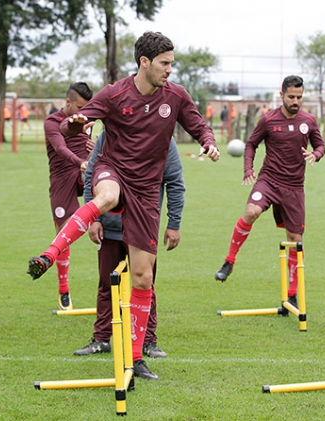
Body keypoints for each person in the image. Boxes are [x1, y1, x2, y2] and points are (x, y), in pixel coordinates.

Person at [27, 31, 220, 380]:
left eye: (171, 63)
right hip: (111, 169)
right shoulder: (115, 93)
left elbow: (197, 125)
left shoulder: (175, 96)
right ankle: (50, 254)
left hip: (147, 189)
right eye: (164, 63)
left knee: (143, 277)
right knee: (107, 197)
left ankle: (135, 358)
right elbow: (83, 117)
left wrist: (208, 142)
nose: (169, 70)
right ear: (144, 62)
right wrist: (77, 122)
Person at [214, 75, 325, 308]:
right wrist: (248, 169)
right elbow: (251, 144)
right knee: (251, 211)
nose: (296, 101)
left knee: (295, 239)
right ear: (281, 95)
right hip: (269, 181)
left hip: (294, 187)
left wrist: (315, 155)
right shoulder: (268, 120)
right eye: (291, 97)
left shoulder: (309, 121)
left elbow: (321, 145)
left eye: (299, 97)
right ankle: (229, 261)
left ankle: (292, 295)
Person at [74, 132, 185, 359]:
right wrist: (93, 218)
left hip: (144, 227)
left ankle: (148, 340)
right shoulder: (107, 137)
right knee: (106, 284)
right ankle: (102, 338)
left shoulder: (163, 137)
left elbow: (174, 181)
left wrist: (174, 223)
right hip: (110, 227)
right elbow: (91, 178)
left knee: (145, 284)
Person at [42, 82, 95, 311]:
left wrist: (94, 154)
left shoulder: (88, 119)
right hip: (63, 176)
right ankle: (64, 289)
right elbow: (61, 149)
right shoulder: (51, 123)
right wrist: (81, 162)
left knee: (113, 206)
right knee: (63, 230)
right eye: (79, 107)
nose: (82, 112)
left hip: (86, 173)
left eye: (86, 107)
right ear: (68, 102)